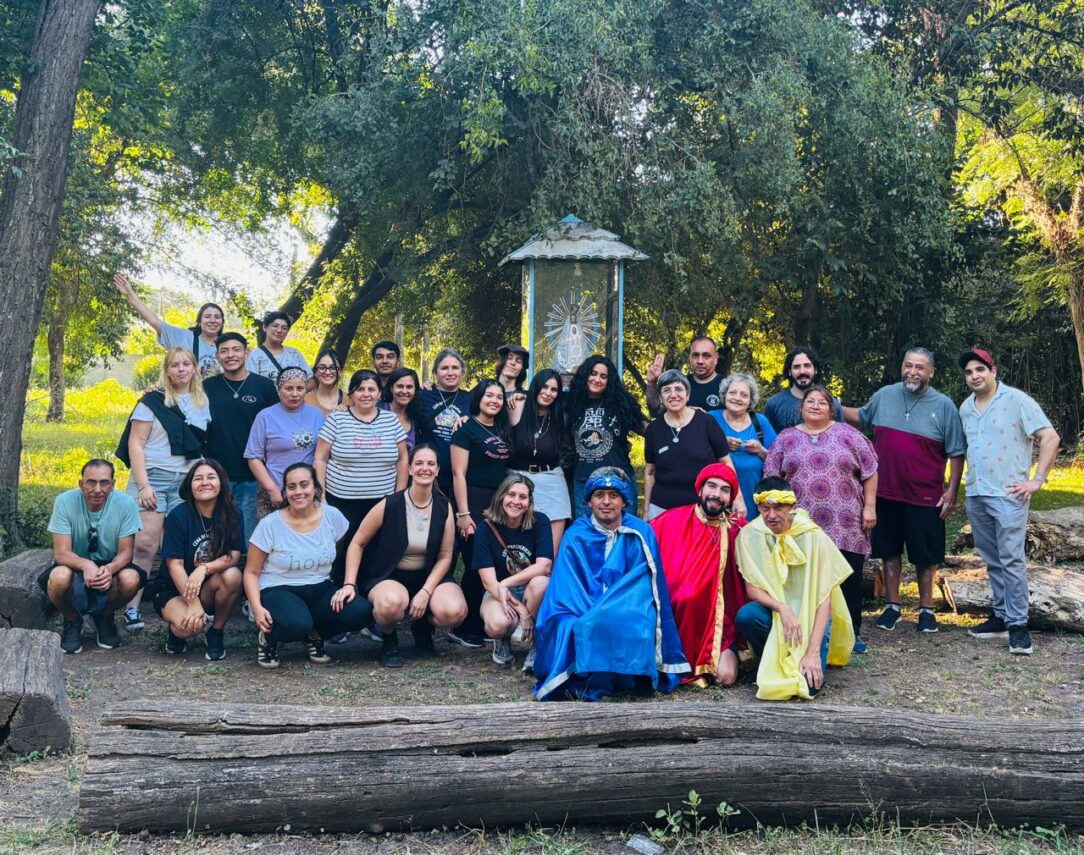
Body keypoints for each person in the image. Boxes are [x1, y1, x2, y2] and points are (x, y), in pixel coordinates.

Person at [533, 467, 689, 701]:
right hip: (580, 603)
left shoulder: (641, 532)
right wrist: (592, 611)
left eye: (613, 496)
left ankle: (627, 677)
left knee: (632, 618)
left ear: (624, 502)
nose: (606, 502)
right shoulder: (575, 534)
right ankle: (586, 678)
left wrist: (608, 609)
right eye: (599, 495)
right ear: (589, 501)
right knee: (569, 622)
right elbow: (566, 584)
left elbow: (647, 584)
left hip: (628, 604)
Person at [843, 348, 965, 634]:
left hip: (926, 495)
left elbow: (957, 452)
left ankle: (926, 610)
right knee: (889, 552)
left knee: (926, 556)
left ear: (931, 372)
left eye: (920, 367)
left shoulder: (945, 406)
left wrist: (952, 491)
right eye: (908, 365)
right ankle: (893, 607)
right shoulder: (885, 395)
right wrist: (830, 405)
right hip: (885, 492)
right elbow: (861, 416)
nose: (913, 371)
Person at [958, 348, 1060, 656]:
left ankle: (1018, 625)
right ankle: (1001, 616)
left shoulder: (1017, 401)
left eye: (980, 369)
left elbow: (1050, 437)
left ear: (993, 370)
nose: (974, 375)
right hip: (977, 492)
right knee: (991, 558)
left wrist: (1037, 479)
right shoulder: (966, 407)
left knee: (1012, 559)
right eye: (969, 372)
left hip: (1009, 495)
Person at [763, 385, 877, 651]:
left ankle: (852, 634)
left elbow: (871, 470)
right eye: (810, 401)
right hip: (800, 523)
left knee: (847, 576)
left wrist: (869, 506)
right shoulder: (785, 438)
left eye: (822, 402)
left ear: (832, 408)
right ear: (800, 408)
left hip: (845, 521)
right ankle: (808, 631)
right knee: (804, 578)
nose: (815, 405)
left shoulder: (849, 434)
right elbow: (771, 477)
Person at [340, 444, 468, 667]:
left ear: (438, 470)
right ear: (409, 469)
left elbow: (446, 556)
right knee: (391, 604)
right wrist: (349, 583)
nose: (424, 468)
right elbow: (357, 543)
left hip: (428, 576)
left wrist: (426, 591)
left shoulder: (444, 506)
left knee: (454, 611)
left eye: (430, 464)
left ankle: (423, 628)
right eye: (419, 463)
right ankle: (389, 637)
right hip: (390, 576)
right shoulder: (390, 503)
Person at [243, 463, 375, 668]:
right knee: (296, 624)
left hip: (320, 586)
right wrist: (257, 607)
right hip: (278, 588)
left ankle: (315, 634)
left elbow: (340, 550)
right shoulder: (270, 524)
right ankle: (268, 638)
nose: (298, 492)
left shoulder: (333, 516)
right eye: (291, 486)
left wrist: (348, 585)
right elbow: (251, 572)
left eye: (304, 484)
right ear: (285, 491)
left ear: (315, 487)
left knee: (362, 612)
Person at [116, 347, 210, 632]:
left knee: (180, 546)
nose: (181, 369)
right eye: (174, 365)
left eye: (186, 364)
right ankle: (132, 608)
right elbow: (136, 444)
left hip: (187, 480)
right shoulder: (151, 401)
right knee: (145, 544)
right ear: (166, 370)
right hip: (154, 477)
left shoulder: (204, 401)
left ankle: (183, 601)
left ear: (194, 368)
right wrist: (143, 485)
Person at [735, 478, 855, 700]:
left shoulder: (813, 536)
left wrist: (812, 653)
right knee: (747, 616)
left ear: (791, 506)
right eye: (765, 508)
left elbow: (824, 598)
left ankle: (810, 653)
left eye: (778, 507)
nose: (771, 515)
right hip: (778, 614)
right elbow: (752, 589)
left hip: (813, 615)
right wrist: (783, 608)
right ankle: (769, 660)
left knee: (806, 687)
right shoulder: (750, 536)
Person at [649, 463, 748, 687]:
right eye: (711, 486)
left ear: (731, 497)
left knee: (726, 677)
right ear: (700, 490)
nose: (716, 494)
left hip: (720, 625)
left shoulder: (738, 530)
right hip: (676, 623)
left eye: (725, 490)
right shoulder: (669, 522)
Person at [40, 460, 145, 654]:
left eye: (104, 483)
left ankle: (104, 616)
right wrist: (85, 564)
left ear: (113, 484)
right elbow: (62, 553)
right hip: (73, 562)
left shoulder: (126, 504)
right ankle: (72, 619)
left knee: (131, 579)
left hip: (110, 563)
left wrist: (110, 569)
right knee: (59, 577)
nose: (97, 489)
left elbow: (126, 553)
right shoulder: (64, 501)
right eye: (91, 482)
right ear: (81, 484)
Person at [315, 369, 408, 582]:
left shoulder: (391, 420)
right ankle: (338, 594)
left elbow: (403, 459)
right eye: (360, 389)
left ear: (379, 393)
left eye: (371, 389)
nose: (366, 394)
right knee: (341, 550)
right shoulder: (337, 420)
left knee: (375, 551)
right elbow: (320, 459)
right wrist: (321, 497)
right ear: (351, 394)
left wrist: (399, 496)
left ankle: (370, 597)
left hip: (381, 502)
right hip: (341, 501)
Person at [153, 460, 244, 660]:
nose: (205, 483)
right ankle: (176, 635)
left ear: (221, 483)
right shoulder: (178, 516)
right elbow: (174, 565)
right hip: (174, 589)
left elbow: (234, 555)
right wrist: (192, 603)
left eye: (211, 477)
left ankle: (216, 632)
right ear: (189, 485)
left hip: (209, 586)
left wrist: (204, 569)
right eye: (198, 478)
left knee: (233, 575)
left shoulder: (232, 513)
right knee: (189, 627)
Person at [450, 379, 513, 647]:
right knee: (476, 560)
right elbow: (458, 473)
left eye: (499, 397)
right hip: (473, 499)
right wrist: (463, 514)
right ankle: (463, 627)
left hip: (498, 501)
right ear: (479, 398)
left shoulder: (502, 428)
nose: (494, 401)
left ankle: (482, 620)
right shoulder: (466, 429)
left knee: (494, 562)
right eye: (489, 395)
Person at [202, 333, 279, 539]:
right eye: (224, 351)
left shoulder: (264, 386)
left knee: (249, 537)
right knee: (217, 536)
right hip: (217, 474)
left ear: (246, 352)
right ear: (217, 356)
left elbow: (276, 426)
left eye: (236, 350)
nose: (230, 355)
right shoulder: (207, 387)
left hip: (253, 475)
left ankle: (247, 572)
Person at [474, 474, 554, 670]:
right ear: (501, 496)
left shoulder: (540, 522)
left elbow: (544, 566)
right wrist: (522, 612)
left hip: (529, 589)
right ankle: (502, 640)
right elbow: (489, 583)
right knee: (497, 624)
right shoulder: (485, 528)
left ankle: (537, 644)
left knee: (541, 584)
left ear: (529, 502)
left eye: (523, 497)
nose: (516, 502)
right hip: (497, 593)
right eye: (511, 495)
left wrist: (507, 583)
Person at [643, 369, 743, 521]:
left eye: (678, 389)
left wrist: (737, 498)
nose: (673, 394)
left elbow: (726, 462)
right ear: (661, 398)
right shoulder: (653, 429)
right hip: (662, 511)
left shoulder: (706, 422)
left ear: (688, 395)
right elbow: (650, 472)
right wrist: (646, 511)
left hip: (702, 510)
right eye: (667, 390)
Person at [566, 355, 645, 518]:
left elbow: (649, 430)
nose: (597, 379)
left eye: (603, 376)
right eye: (593, 374)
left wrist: (682, 415)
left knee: (623, 535)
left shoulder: (620, 404)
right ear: (585, 375)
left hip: (619, 482)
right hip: (584, 482)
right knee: (587, 537)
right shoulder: (570, 404)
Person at [244, 367, 325, 520]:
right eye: (289, 388)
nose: (295, 394)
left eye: (300, 388)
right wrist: (272, 490)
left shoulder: (316, 414)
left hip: (307, 493)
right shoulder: (265, 416)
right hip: (276, 493)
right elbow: (253, 457)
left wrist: (319, 490)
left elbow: (321, 455)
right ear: (279, 389)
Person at [113, 272, 224, 378]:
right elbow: (154, 321)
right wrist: (130, 294)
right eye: (207, 316)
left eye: (217, 317)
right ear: (199, 321)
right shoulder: (184, 338)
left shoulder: (230, 346)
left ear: (222, 322)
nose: (213, 320)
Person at [508, 368, 572, 553]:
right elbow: (488, 413)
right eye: (544, 387)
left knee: (550, 551)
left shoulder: (560, 415)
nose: (548, 393)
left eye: (553, 390)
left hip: (551, 479)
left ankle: (546, 577)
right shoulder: (518, 406)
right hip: (518, 478)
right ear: (535, 386)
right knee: (519, 542)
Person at [711, 372, 777, 519]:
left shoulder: (760, 422)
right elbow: (697, 454)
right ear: (725, 394)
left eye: (743, 395)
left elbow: (778, 461)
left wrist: (760, 450)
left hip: (756, 503)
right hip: (716, 503)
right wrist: (720, 443)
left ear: (750, 400)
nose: (737, 398)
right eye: (732, 392)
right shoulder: (711, 419)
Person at [417, 348, 473, 496]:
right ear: (436, 372)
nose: (450, 373)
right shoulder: (422, 396)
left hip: (461, 472)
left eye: (455, 368)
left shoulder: (471, 399)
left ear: (462, 371)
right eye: (444, 368)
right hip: (429, 470)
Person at [762, 346, 843, 432]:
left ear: (815, 370)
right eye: (796, 367)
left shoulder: (833, 405)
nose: (802, 372)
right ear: (789, 372)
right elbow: (766, 443)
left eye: (807, 366)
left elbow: (841, 439)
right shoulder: (774, 404)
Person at [644, 336, 725, 415]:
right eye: (695, 355)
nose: (700, 361)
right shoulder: (680, 384)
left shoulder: (727, 387)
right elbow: (656, 411)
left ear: (716, 358)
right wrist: (652, 383)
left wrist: (704, 418)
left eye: (706, 356)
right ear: (689, 357)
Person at [246, 311, 312, 384]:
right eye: (275, 326)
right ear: (265, 327)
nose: (279, 330)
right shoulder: (255, 356)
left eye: (284, 328)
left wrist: (296, 392)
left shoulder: (294, 353)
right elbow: (251, 384)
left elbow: (310, 380)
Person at [379, 367, 422, 451]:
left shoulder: (417, 417)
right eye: (399, 386)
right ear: (391, 388)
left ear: (415, 390)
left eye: (409, 387)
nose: (404, 391)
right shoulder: (378, 410)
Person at [305, 349, 345, 417]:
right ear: (315, 372)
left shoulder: (350, 401)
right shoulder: (304, 401)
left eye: (333, 368)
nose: (327, 372)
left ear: (341, 372)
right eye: (322, 367)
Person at [495, 343, 529, 409]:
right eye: (509, 358)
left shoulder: (525, 397)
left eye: (518, 361)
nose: (513, 363)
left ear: (522, 369)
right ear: (501, 361)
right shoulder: (483, 390)